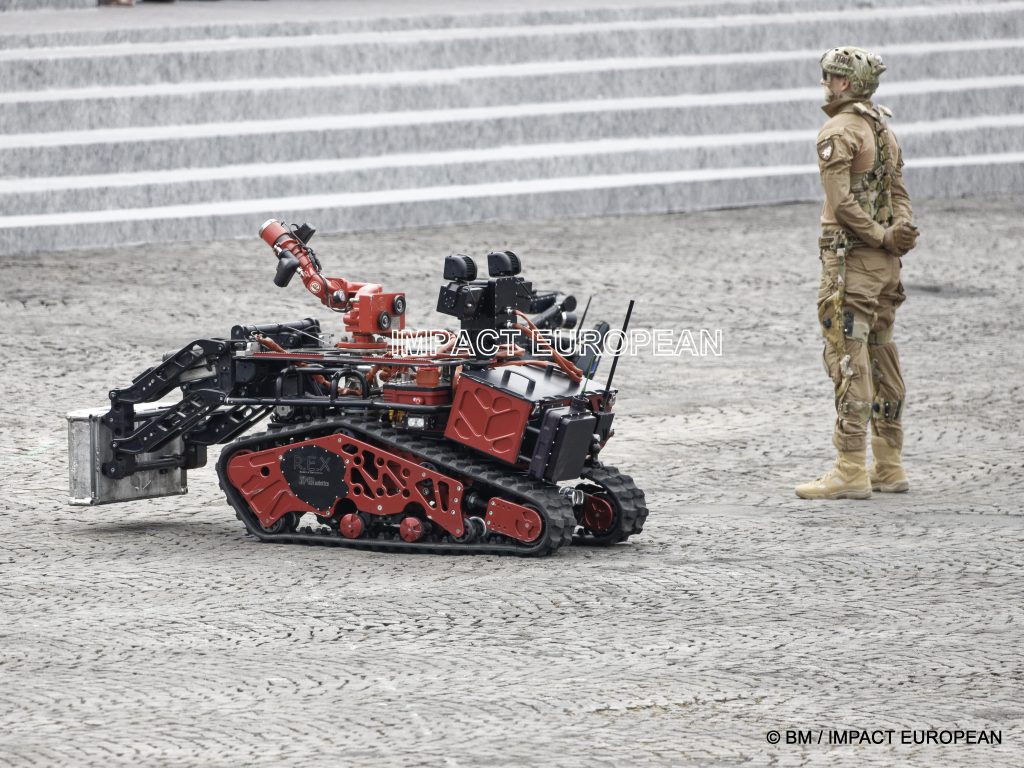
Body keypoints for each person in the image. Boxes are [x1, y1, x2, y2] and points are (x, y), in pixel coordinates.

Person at [795, 47, 919, 500]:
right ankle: (889, 463)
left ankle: (850, 468)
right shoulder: (881, 126)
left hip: (854, 262)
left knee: (849, 359)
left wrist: (881, 236)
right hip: (885, 266)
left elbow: (843, 203)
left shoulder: (840, 129)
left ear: (845, 83)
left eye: (830, 76)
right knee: (883, 353)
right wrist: (898, 230)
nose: (826, 82)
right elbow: (899, 189)